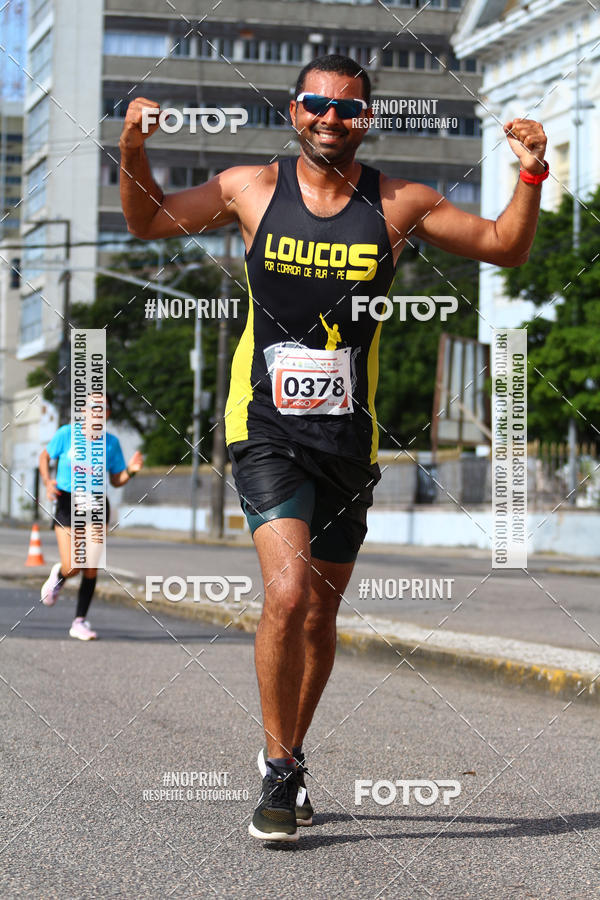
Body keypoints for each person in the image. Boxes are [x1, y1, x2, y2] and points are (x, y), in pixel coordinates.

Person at [119, 54, 547, 840]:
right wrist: (133, 150)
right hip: (264, 428)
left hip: (350, 437)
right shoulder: (250, 188)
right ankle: (280, 774)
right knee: (285, 596)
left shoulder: (400, 201)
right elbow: (147, 221)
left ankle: (291, 749)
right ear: (293, 110)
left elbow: (503, 248)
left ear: (366, 120)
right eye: (317, 104)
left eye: (346, 109)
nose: (330, 118)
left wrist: (530, 174)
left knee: (319, 615)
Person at [38, 392, 143, 640]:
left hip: (96, 504)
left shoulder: (111, 443)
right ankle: (60, 575)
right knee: (74, 564)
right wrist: (47, 481)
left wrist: (131, 471)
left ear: (107, 414)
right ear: (83, 411)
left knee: (92, 566)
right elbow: (44, 456)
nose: (97, 411)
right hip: (67, 502)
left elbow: (117, 480)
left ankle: (80, 621)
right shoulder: (66, 434)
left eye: (103, 407)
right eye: (92, 406)